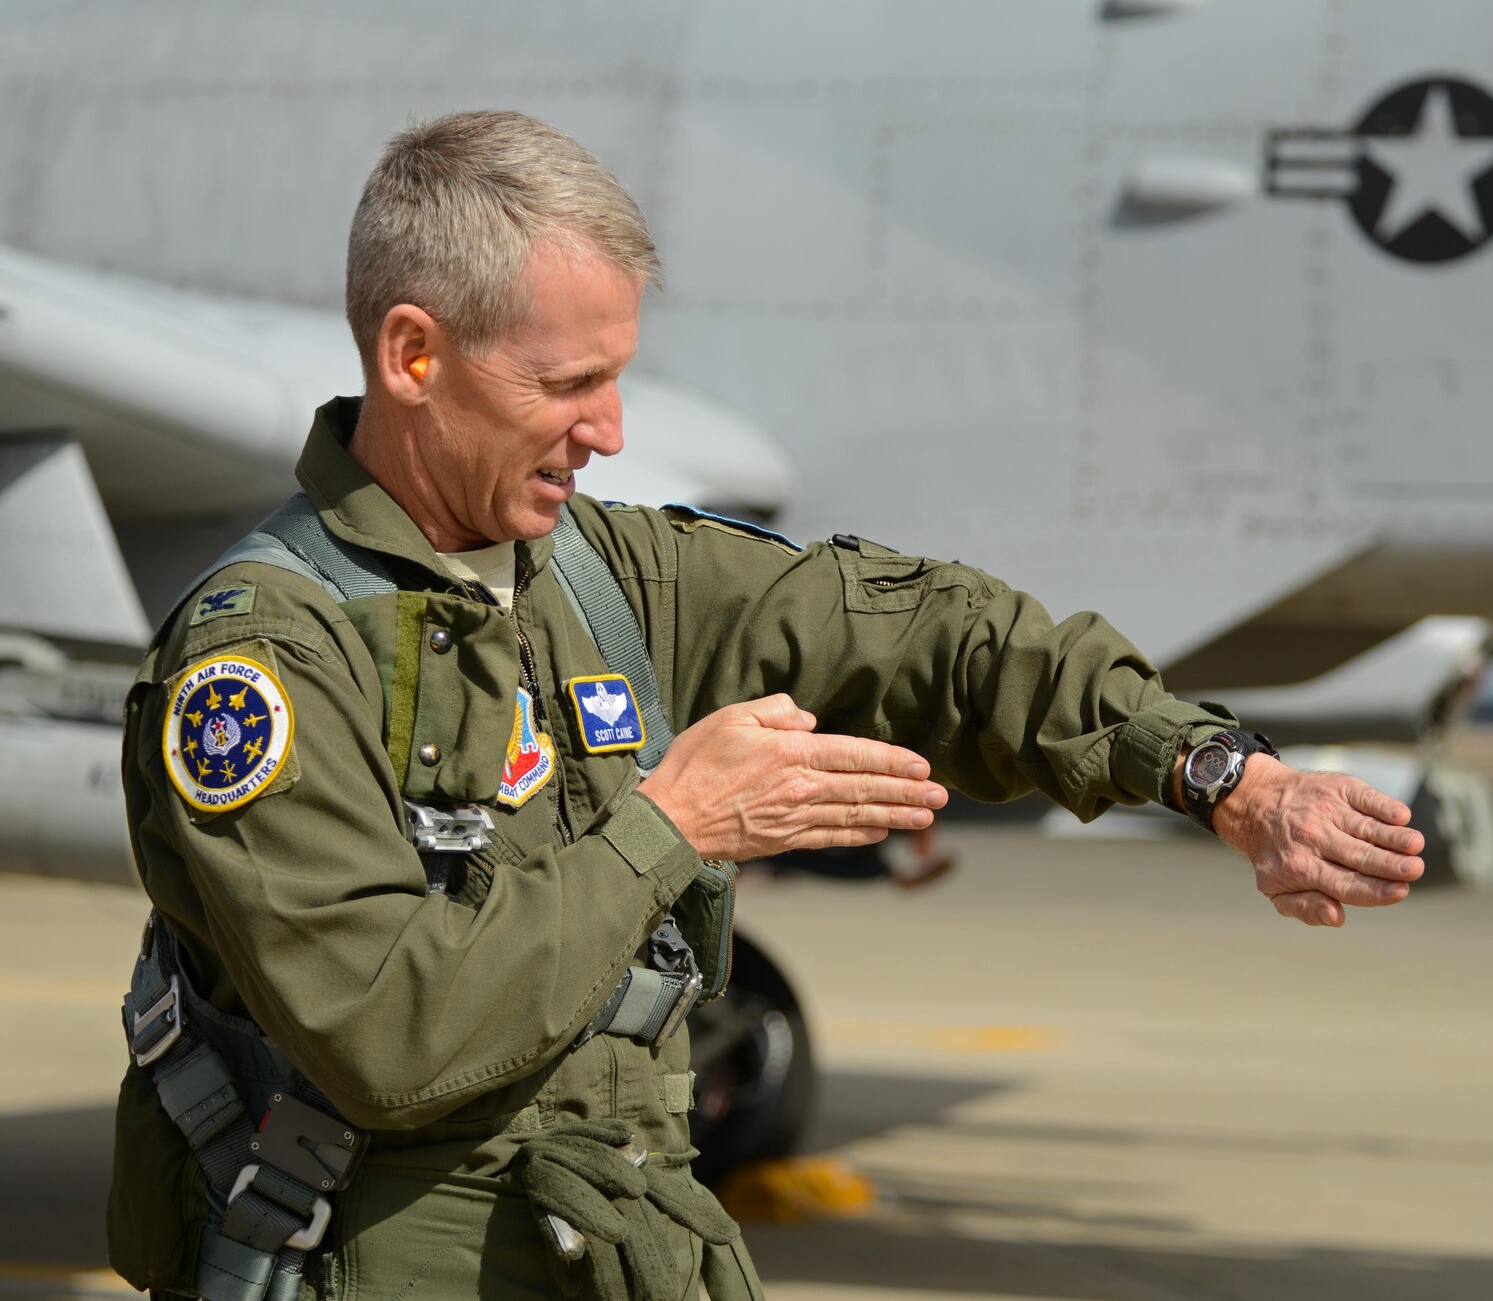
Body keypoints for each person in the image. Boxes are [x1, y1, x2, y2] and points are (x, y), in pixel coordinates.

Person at [111, 111, 1425, 1301]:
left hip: (611, 1250)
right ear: (413, 354)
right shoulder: (265, 661)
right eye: (568, 386)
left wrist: (1227, 779)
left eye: (617, 378)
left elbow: (937, 634)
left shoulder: (609, 577)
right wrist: (672, 823)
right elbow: (389, 1038)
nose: (611, 429)